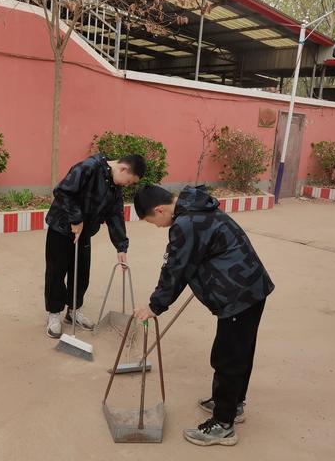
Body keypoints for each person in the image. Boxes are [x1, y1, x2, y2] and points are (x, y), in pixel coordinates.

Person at [132, 184, 274, 446]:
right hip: (251, 289)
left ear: (159, 209)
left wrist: (155, 306)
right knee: (241, 351)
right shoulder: (196, 206)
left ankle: (223, 425)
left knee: (228, 357)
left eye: (154, 222)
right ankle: (234, 404)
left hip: (238, 296)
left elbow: (174, 269)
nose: (158, 226)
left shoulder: (186, 224)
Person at [44, 153, 146, 338]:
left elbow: (115, 214)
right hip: (61, 228)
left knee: (81, 273)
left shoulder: (115, 186)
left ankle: (73, 311)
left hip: (84, 232)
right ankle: (54, 314)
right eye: (129, 181)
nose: (127, 185)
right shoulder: (89, 167)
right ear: (123, 169)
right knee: (56, 272)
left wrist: (121, 246)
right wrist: (75, 219)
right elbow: (62, 191)